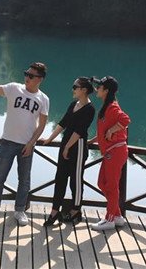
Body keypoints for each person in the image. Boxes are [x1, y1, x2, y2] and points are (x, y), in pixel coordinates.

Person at [0, 62, 50, 229]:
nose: (27, 77)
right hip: (7, 142)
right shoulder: (14, 88)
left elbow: (42, 125)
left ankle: (19, 210)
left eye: (31, 75)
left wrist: (31, 143)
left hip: (26, 145)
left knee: (24, 180)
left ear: (40, 79)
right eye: (26, 73)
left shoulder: (43, 99)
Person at [42, 77, 95, 226]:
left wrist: (67, 147)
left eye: (75, 87)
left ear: (84, 90)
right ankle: (54, 211)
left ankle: (75, 210)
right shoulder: (73, 104)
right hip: (66, 143)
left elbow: (79, 131)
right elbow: (63, 123)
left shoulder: (90, 109)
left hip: (78, 147)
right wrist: (50, 138)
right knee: (60, 178)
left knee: (75, 181)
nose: (73, 89)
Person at [89, 76, 131, 231]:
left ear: (106, 91)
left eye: (99, 87)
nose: (97, 89)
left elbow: (125, 120)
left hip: (116, 151)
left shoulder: (112, 107)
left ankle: (109, 219)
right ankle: (117, 215)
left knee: (111, 186)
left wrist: (112, 131)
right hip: (110, 152)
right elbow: (104, 129)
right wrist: (94, 140)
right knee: (102, 183)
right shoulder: (107, 106)